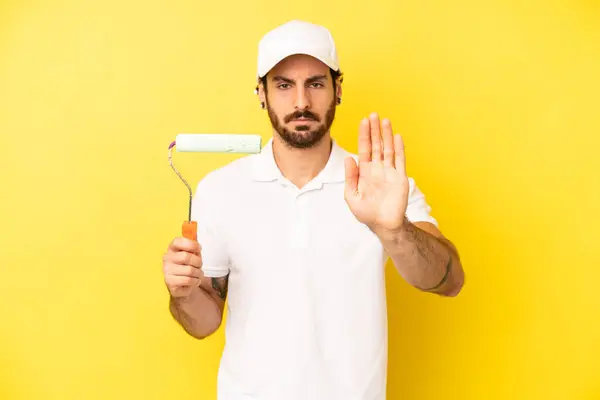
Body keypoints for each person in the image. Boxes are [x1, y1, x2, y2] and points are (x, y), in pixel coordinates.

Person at [162, 19, 464, 400]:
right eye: (284, 85)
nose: (301, 102)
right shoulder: (220, 190)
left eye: (315, 84)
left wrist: (394, 230)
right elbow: (204, 323)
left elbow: (449, 281)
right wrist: (183, 292)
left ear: (338, 89)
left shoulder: (379, 184)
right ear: (261, 93)